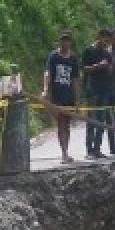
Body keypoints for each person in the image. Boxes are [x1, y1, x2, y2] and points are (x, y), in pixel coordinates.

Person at [41, 30, 79, 163]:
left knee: (67, 124)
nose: (65, 42)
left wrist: (77, 99)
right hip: (57, 95)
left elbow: (74, 79)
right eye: (63, 40)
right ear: (60, 41)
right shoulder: (54, 56)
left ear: (70, 42)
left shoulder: (73, 58)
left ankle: (66, 151)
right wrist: (45, 90)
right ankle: (64, 153)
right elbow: (48, 73)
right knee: (61, 123)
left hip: (69, 96)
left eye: (68, 40)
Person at [80, 29, 115, 159]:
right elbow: (84, 69)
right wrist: (98, 66)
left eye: (108, 41)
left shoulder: (107, 53)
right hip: (92, 90)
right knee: (91, 120)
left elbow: (110, 71)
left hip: (104, 90)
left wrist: (109, 67)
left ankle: (97, 149)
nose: (106, 43)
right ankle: (89, 150)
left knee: (101, 121)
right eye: (105, 40)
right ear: (99, 37)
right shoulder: (88, 51)